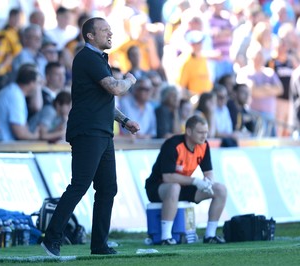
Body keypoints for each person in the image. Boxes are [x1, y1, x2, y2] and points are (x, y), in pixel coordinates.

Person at [41, 17, 139, 257]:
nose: (110, 33)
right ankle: (51, 238)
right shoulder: (87, 57)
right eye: (104, 30)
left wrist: (124, 121)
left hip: (102, 131)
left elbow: (103, 101)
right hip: (89, 131)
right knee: (80, 185)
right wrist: (129, 79)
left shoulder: (98, 60)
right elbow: (115, 88)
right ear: (90, 36)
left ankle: (99, 245)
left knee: (107, 188)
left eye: (110, 29)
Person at [145, 115, 227, 245]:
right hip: (158, 187)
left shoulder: (204, 145)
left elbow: (208, 172)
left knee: (220, 189)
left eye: (206, 132)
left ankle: (210, 235)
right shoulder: (173, 144)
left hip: (183, 186)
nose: (204, 136)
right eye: (200, 132)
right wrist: (195, 181)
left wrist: (208, 182)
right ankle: (166, 237)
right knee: (174, 187)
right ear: (188, 131)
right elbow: (168, 177)